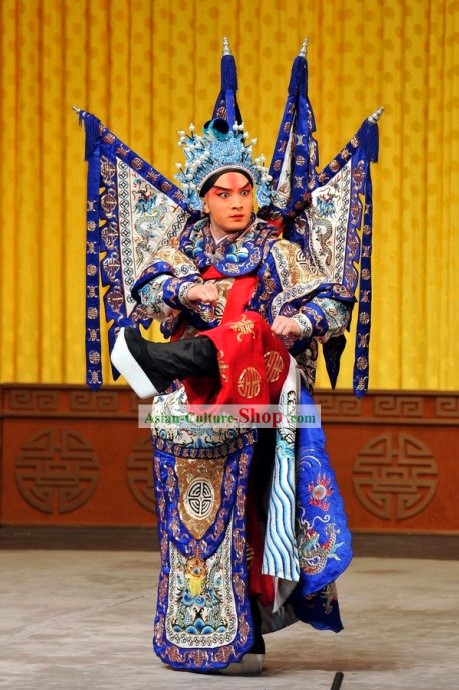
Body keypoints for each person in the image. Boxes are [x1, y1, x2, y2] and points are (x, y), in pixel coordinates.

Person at [111, 118, 355, 675]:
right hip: (199, 402)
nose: (238, 203)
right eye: (224, 194)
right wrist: (186, 287)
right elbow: (147, 288)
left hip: (258, 393)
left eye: (246, 191)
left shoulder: (277, 249)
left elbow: (334, 306)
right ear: (204, 200)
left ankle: (150, 361)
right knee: (196, 523)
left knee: (251, 512)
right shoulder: (183, 247)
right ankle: (200, 632)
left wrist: (297, 325)